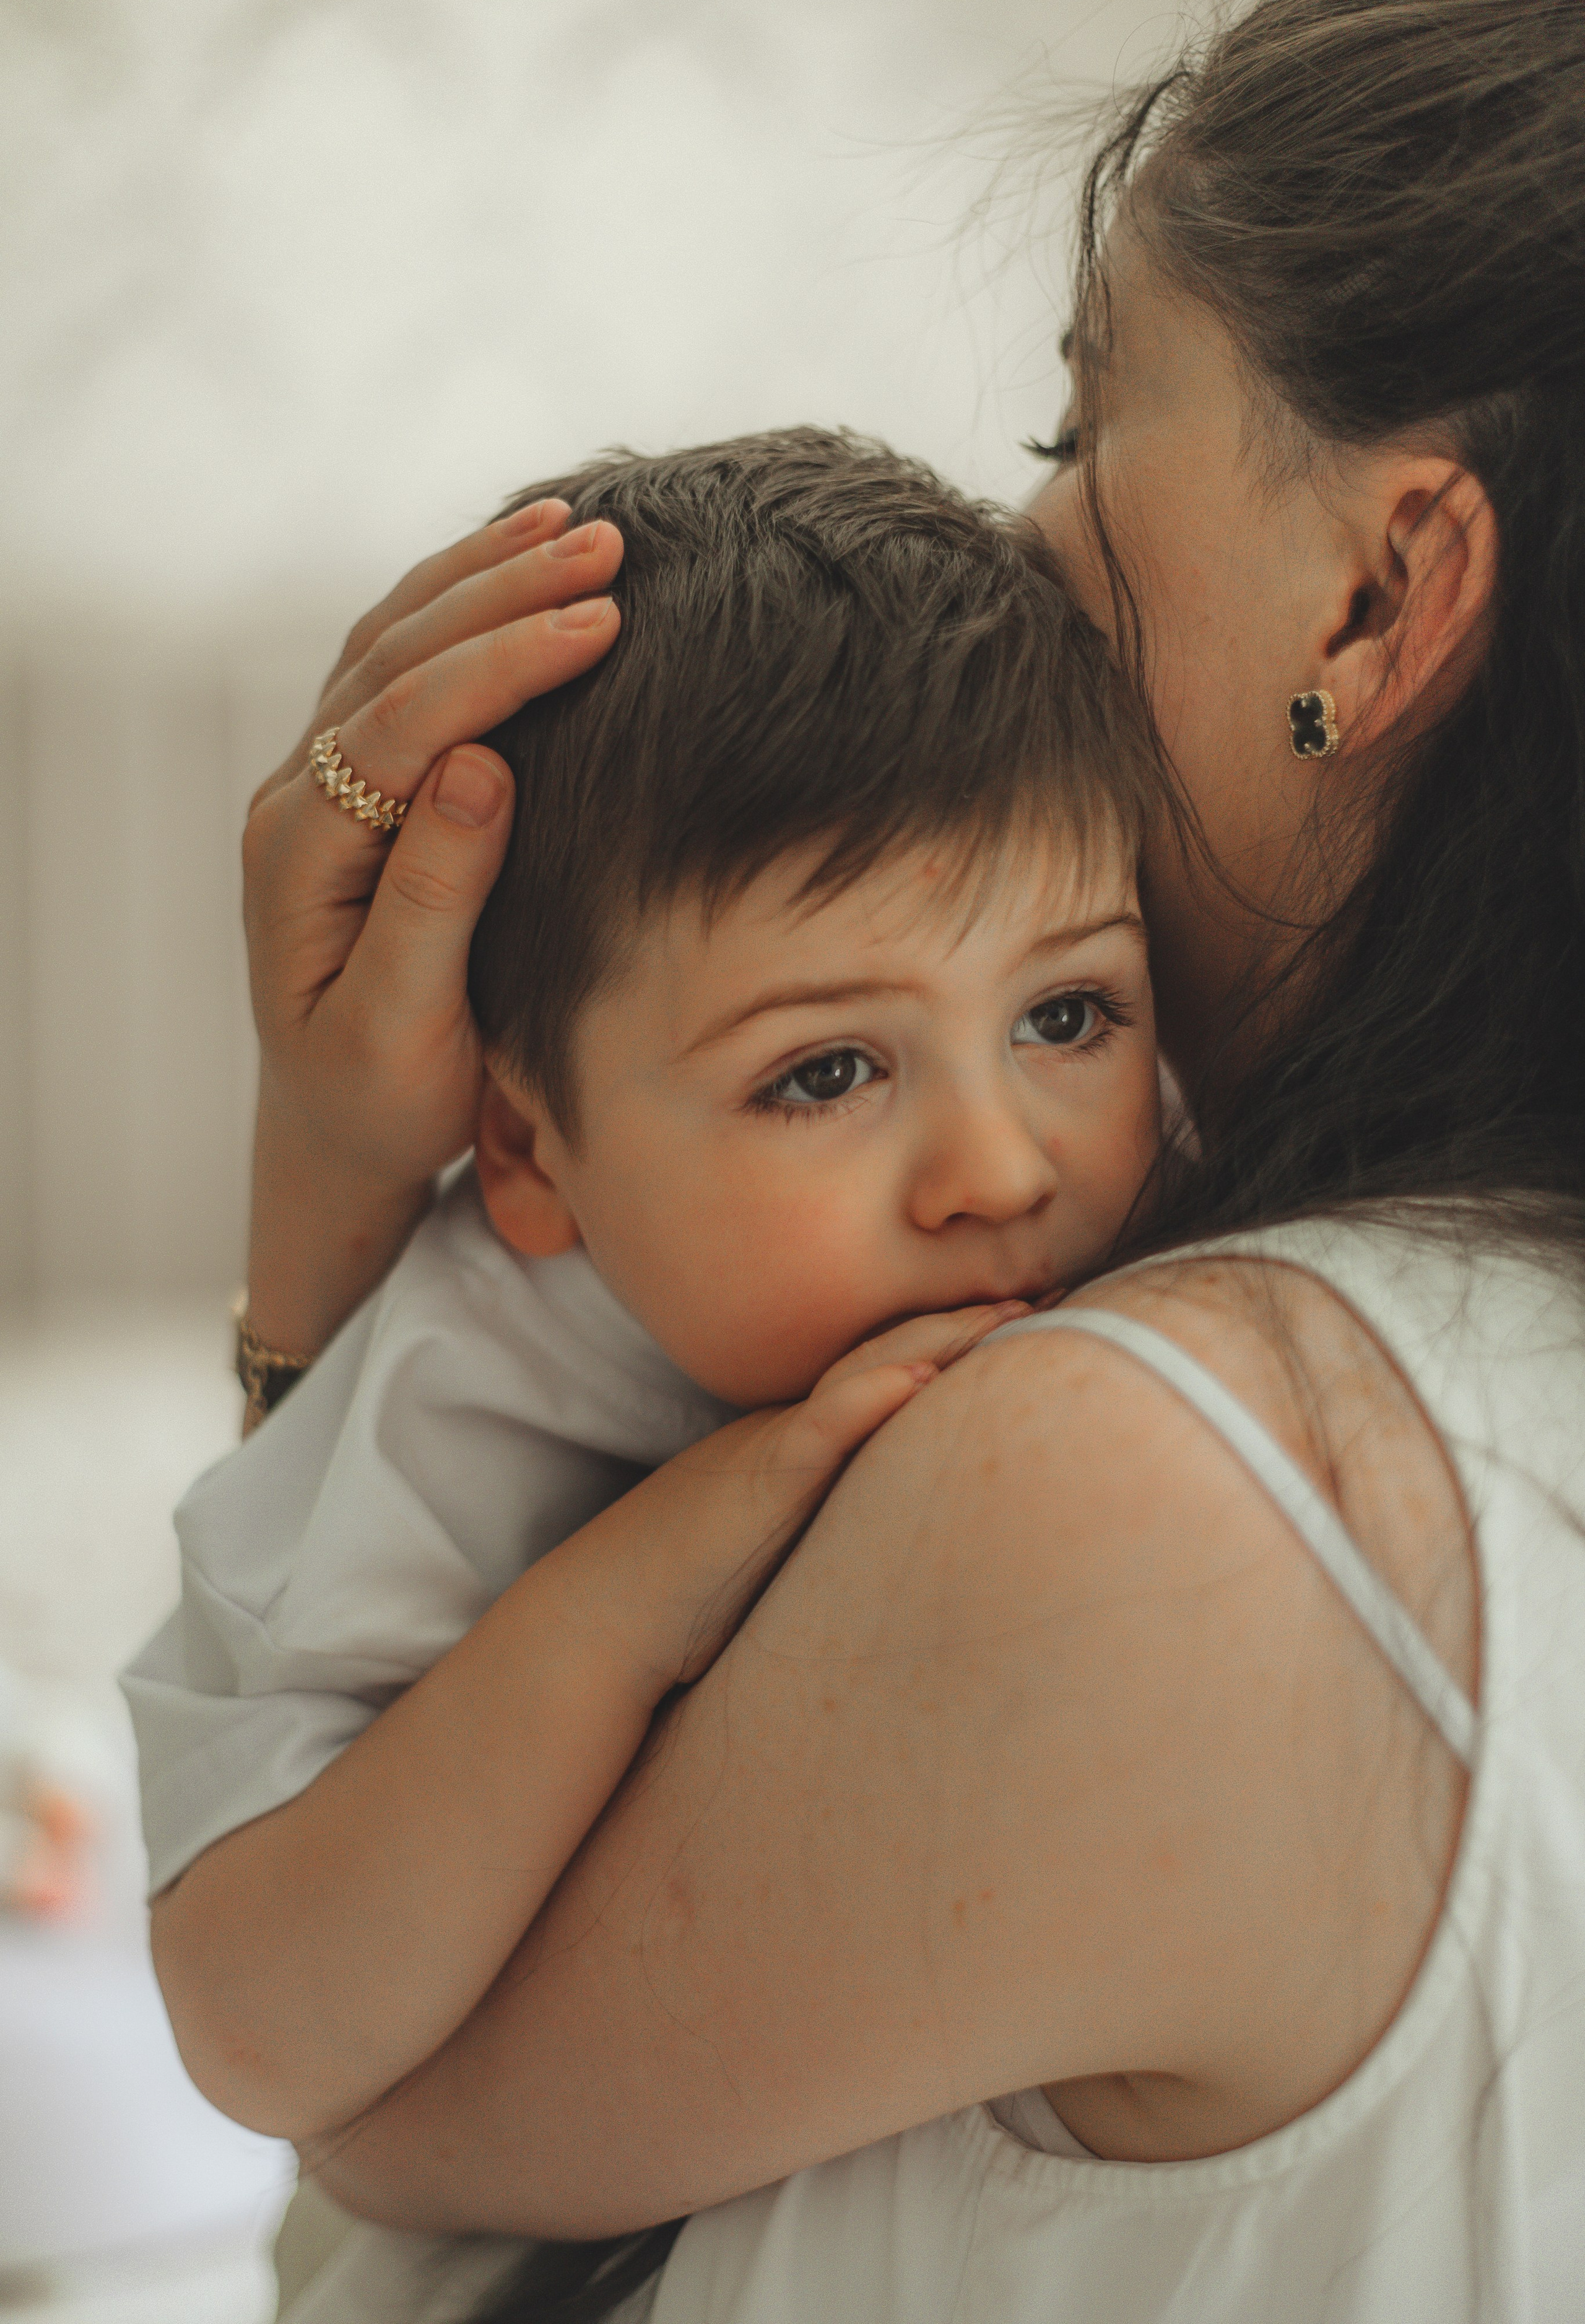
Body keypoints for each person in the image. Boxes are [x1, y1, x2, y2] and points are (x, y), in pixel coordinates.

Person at [158, 0, 1585, 2315]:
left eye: (1080, 426)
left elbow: (358, 2119)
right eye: (835, 1062)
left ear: (1383, 589)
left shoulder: (1177, 1484)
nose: (1024, 542)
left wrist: (326, 1226)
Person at [133, 428, 1162, 2152]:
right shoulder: (463, 1385)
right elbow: (255, 2034)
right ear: (531, 1154)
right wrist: (637, 1587)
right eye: (826, 1073)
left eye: (1066, 1016)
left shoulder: (1194, 1211)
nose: (1002, 1167)